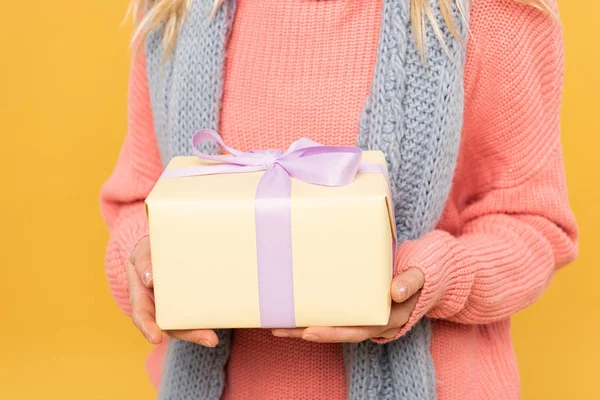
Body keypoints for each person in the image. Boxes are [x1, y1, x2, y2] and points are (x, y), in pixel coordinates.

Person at [100, 0, 578, 398]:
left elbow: (532, 222)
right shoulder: (177, 12)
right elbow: (137, 199)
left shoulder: (484, 11)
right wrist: (146, 259)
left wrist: (429, 277)